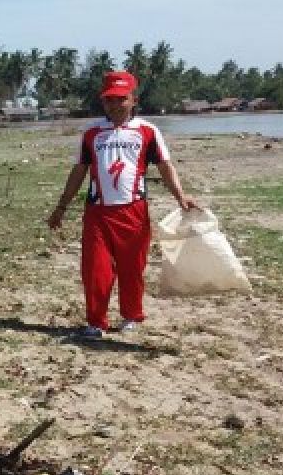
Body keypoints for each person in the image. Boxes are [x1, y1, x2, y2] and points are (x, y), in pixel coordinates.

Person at [47, 71, 199, 339]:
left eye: (121, 99)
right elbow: (79, 171)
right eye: (109, 101)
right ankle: (96, 322)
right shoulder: (91, 133)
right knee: (95, 269)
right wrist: (61, 206)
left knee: (132, 269)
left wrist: (180, 196)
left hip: (134, 212)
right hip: (97, 213)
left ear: (133, 100)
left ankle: (131, 316)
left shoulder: (148, 131)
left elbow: (165, 166)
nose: (115, 106)